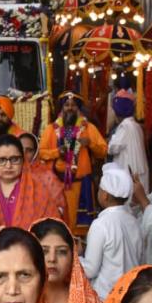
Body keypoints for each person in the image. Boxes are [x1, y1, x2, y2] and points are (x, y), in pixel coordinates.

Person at [39, 92, 108, 232]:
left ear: (79, 109)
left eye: (74, 105)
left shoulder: (88, 128)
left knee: (80, 228)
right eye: (66, 105)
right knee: (57, 225)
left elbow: (104, 151)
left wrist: (90, 144)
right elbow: (40, 153)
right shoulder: (51, 129)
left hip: (81, 184)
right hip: (57, 185)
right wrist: (57, 152)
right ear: (61, 108)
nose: (70, 108)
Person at [30, 217, 100, 303]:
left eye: (61, 251)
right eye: (44, 251)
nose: (52, 259)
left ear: (73, 257)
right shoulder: (17, 300)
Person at [0, 134, 65, 229]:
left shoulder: (38, 190)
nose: (8, 165)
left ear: (23, 161)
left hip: (30, 243)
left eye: (14, 159)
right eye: (1, 160)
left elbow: (53, 228)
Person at [81, 163, 143, 299]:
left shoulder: (100, 225)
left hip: (106, 296)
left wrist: (77, 257)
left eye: (99, 190)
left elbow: (90, 270)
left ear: (105, 196)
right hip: (131, 293)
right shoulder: (134, 221)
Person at [107, 89, 149, 189]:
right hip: (137, 171)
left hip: (129, 172)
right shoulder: (136, 125)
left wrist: (110, 139)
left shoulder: (124, 126)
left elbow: (112, 148)